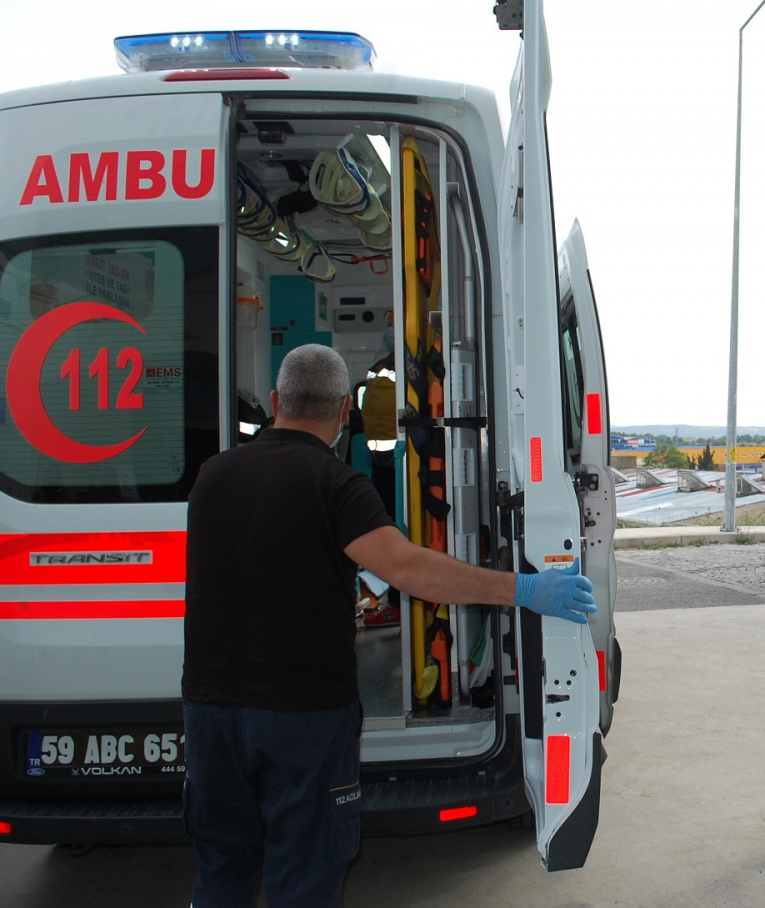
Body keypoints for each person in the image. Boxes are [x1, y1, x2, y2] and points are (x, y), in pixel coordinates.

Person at [182, 344, 596, 908]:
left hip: (210, 714)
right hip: (301, 716)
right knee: (302, 878)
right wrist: (521, 590)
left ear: (277, 401)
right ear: (344, 414)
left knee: (220, 874)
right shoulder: (334, 485)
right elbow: (408, 569)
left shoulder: (213, 476)